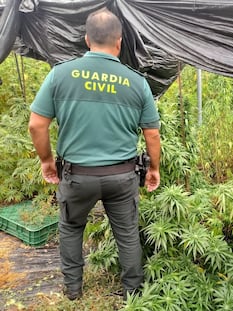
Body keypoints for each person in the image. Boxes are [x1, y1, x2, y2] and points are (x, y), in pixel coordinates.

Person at [28, 8, 161, 301]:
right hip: (123, 176)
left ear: (87, 39)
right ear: (120, 42)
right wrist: (153, 168)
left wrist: (47, 161)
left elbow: (37, 124)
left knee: (71, 228)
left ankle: (73, 290)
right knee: (127, 234)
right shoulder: (136, 81)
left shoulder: (60, 74)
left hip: (77, 177)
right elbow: (152, 133)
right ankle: (133, 294)